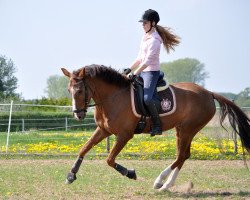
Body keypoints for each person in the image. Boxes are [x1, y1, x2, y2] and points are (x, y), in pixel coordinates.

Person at [124, 9, 180, 136]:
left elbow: (148, 61)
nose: (142, 25)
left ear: (153, 24)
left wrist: (135, 73)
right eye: (142, 23)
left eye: (145, 23)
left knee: (148, 99)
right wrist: (129, 69)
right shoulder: (145, 37)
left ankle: (157, 125)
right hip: (141, 71)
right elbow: (140, 57)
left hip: (151, 72)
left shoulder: (155, 40)